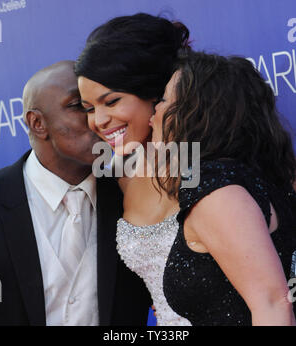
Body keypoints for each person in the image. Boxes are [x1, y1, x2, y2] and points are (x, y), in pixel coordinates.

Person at [0, 60, 151, 326]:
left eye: (104, 105)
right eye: (79, 106)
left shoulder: (136, 191)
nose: (99, 121)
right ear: (37, 123)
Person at [150, 51, 296, 326]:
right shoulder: (258, 180)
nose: (155, 110)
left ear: (196, 113)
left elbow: (274, 305)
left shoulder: (216, 188)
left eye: (164, 99)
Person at [75, 13, 192, 326]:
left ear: (152, 90)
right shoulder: (114, 176)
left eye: (111, 101)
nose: (98, 121)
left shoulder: (209, 166)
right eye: (89, 109)